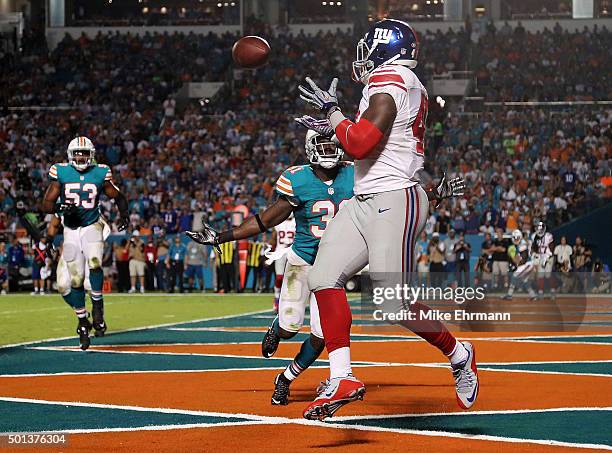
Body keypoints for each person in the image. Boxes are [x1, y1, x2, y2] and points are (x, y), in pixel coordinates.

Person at [293, 18, 474, 419]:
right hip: (364, 199)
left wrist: (334, 113)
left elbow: (359, 144)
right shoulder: (396, 82)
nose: (363, 56)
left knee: (394, 305)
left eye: (368, 47)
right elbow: (364, 143)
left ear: (385, 48)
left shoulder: (390, 78)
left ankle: (459, 353)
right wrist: (334, 125)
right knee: (323, 277)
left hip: (395, 197)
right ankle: (342, 376)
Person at [187, 130, 353, 406]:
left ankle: (285, 379)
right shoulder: (298, 179)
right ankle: (277, 329)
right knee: (290, 327)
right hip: (303, 263)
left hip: (334, 269)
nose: (328, 149)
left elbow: (389, 199)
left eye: (332, 144)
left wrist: (429, 196)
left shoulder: (354, 173)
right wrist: (222, 236)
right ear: (311, 147)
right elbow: (265, 221)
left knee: (322, 336)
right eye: (322, 144)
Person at [42, 136, 129, 349]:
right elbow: (46, 204)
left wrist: (124, 213)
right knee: (76, 279)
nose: (80, 157)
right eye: (77, 153)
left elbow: (117, 196)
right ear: (71, 155)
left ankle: (97, 305)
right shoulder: (60, 172)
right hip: (71, 230)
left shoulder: (100, 172)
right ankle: (82, 321)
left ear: (91, 154)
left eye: (84, 153)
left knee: (95, 262)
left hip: (92, 224)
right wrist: (60, 209)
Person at [270, 214, 295, 310]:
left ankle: (290, 300)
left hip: (292, 252)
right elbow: (273, 239)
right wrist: (270, 252)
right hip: (280, 252)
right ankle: (276, 297)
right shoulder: (278, 222)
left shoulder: (296, 222)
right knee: (279, 277)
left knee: (292, 278)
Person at [503, 229, 537, 300]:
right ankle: (533, 295)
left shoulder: (522, 244)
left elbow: (524, 258)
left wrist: (517, 262)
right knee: (524, 280)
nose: (515, 239)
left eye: (516, 238)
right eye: (514, 238)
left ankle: (509, 295)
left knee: (514, 276)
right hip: (527, 264)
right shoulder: (520, 244)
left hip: (527, 264)